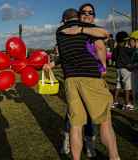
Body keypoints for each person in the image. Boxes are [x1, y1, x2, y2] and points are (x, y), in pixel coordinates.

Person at [44, 7, 120, 160]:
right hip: (90, 76)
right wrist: (103, 65)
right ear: (77, 18)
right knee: (105, 121)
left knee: (76, 125)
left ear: (64, 20)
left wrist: (52, 64)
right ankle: (114, 158)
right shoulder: (86, 28)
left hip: (70, 80)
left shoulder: (59, 32)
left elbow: (63, 54)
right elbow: (103, 39)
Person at [111, 31, 134, 110]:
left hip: (118, 69)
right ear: (125, 41)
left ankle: (114, 102)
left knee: (117, 85)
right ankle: (126, 104)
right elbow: (134, 52)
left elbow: (112, 59)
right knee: (127, 87)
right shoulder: (126, 49)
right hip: (126, 69)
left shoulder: (115, 50)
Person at [125, 30, 138, 111]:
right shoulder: (135, 50)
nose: (129, 42)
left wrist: (132, 66)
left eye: (130, 40)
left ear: (135, 40)